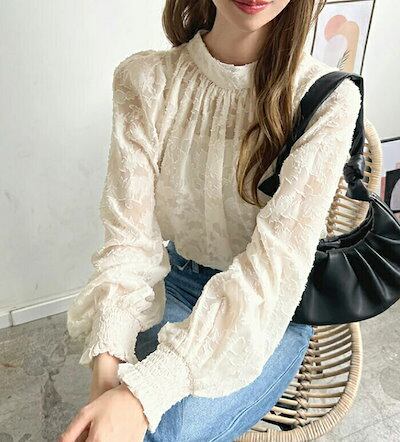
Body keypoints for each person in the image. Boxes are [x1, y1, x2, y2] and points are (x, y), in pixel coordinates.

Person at [60, 0, 362, 441]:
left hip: (268, 315)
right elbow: (129, 242)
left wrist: (140, 397)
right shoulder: (145, 82)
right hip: (177, 282)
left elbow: (271, 276)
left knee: (160, 432)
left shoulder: (326, 100)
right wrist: (106, 372)